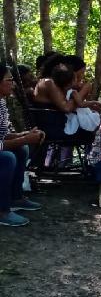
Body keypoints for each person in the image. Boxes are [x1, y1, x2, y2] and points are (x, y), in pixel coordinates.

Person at [0, 65, 44, 227]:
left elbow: (3, 135)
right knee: (7, 158)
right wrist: (25, 139)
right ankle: (2, 210)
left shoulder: (2, 103)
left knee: (21, 149)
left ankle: (15, 198)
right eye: (9, 80)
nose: (13, 84)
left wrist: (24, 135)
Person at [32, 55, 101, 142]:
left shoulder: (53, 83)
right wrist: (84, 90)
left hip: (57, 123)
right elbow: (67, 108)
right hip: (53, 128)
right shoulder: (48, 82)